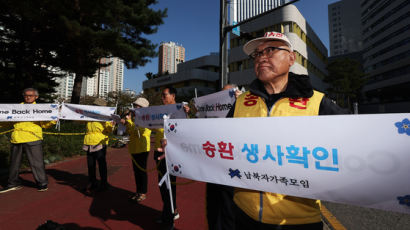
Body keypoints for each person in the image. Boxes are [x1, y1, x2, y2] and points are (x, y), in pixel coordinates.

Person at [227, 32, 346, 229]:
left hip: (298, 221)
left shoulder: (316, 102)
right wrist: (179, 146)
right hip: (244, 214)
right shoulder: (241, 101)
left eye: (271, 50)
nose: (262, 57)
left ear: (291, 58)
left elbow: (358, 144)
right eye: (257, 54)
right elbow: (218, 144)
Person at [0, 88, 56, 193]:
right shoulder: (16, 108)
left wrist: (53, 120)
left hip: (33, 138)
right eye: (26, 95)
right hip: (17, 138)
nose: (28, 97)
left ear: (36, 97)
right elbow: (8, 122)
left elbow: (44, 125)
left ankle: (42, 183)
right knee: (14, 163)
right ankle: (13, 183)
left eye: (31, 95)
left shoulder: (40, 109)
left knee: (37, 163)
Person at [205, 84, 242, 230]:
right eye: (222, 94)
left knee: (228, 209)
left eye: (229, 93)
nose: (225, 97)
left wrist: (241, 102)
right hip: (213, 166)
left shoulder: (244, 107)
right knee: (212, 206)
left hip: (232, 167)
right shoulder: (213, 112)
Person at [154, 87, 189, 230]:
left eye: (165, 95)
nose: (162, 98)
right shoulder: (160, 111)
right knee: (163, 186)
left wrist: (186, 113)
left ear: (173, 96)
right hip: (158, 151)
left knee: (168, 186)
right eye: (161, 95)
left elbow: (184, 130)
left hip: (170, 153)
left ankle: (169, 221)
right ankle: (169, 212)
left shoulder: (180, 110)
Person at [121, 97, 151, 202]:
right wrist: (126, 123)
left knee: (141, 171)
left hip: (142, 147)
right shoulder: (134, 118)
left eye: (137, 106)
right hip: (134, 147)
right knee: (136, 171)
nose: (135, 107)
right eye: (135, 105)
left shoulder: (147, 118)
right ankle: (138, 191)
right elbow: (130, 131)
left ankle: (143, 193)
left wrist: (129, 122)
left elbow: (140, 132)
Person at [83, 98, 113, 193]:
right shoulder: (89, 115)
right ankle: (92, 182)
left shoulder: (106, 116)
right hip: (89, 141)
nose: (95, 107)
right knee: (90, 164)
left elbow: (109, 130)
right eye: (94, 105)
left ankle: (104, 183)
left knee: (101, 164)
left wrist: (111, 125)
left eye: (97, 106)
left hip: (100, 142)